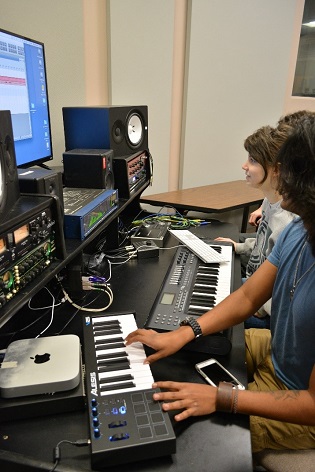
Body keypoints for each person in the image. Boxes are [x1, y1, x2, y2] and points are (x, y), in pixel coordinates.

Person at [125, 116, 315, 454]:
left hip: (304, 408)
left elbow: (311, 404)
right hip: (278, 352)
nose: (279, 178)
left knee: (196, 437)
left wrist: (223, 397)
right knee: (174, 360)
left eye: (288, 170)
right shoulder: (297, 231)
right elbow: (246, 295)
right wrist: (186, 332)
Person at [216, 124, 296, 328]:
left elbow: (284, 288)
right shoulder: (270, 202)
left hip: (267, 311)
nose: (244, 166)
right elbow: (265, 248)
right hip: (257, 292)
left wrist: (261, 306)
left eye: (252, 160)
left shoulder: (288, 222)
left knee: (207, 311)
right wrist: (238, 247)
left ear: (276, 169)